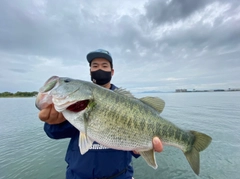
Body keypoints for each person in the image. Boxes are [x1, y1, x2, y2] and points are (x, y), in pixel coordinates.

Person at [38, 49, 163, 179]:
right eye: (95, 66)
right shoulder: (76, 103)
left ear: (112, 71)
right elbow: (54, 133)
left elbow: (134, 148)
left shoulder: (128, 103)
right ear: (90, 71)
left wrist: (141, 149)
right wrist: (51, 122)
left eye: (104, 66)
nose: (99, 69)